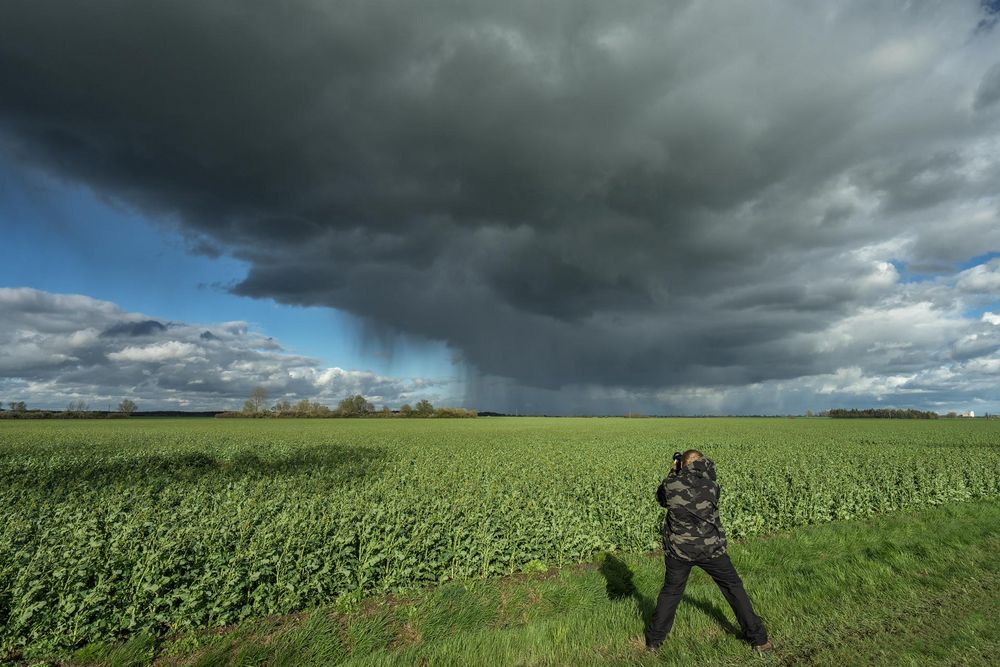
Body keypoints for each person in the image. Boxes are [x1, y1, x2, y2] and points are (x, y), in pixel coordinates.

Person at [644, 449, 773, 654]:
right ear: (703, 462)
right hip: (711, 549)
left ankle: (653, 641)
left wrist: (673, 472)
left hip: (679, 550)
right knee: (733, 588)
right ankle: (759, 640)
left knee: (671, 592)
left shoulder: (670, 484)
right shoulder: (712, 486)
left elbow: (661, 499)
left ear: (682, 464)